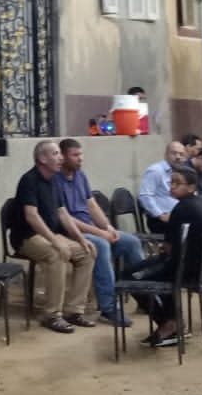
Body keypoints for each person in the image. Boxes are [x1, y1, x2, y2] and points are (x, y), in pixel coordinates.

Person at [123, 165, 202, 349]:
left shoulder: (181, 209)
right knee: (158, 266)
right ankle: (174, 321)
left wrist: (164, 250)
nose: (172, 186)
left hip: (185, 269)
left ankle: (168, 323)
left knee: (128, 277)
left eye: (177, 183)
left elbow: (168, 247)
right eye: (171, 182)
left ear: (191, 187)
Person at [8, 140, 96, 333]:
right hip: (27, 237)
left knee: (88, 252)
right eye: (56, 154)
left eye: (60, 154)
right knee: (57, 254)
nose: (61, 158)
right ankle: (52, 315)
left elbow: (63, 214)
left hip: (49, 235)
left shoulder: (54, 180)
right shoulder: (29, 180)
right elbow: (32, 216)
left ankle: (74, 310)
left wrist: (81, 239)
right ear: (42, 158)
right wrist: (56, 241)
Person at [55, 139, 143, 328]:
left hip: (91, 228)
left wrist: (108, 227)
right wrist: (100, 233)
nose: (80, 158)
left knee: (131, 242)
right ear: (62, 156)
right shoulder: (55, 180)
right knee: (101, 245)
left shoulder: (80, 176)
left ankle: (144, 294)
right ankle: (109, 307)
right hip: (70, 233)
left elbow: (92, 205)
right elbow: (67, 219)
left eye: (81, 154)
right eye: (75, 155)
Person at [138, 141, 189, 233]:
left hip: (176, 216)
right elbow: (145, 196)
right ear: (166, 155)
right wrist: (160, 215)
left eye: (181, 154)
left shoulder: (180, 172)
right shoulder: (156, 171)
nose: (178, 157)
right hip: (161, 220)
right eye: (174, 153)